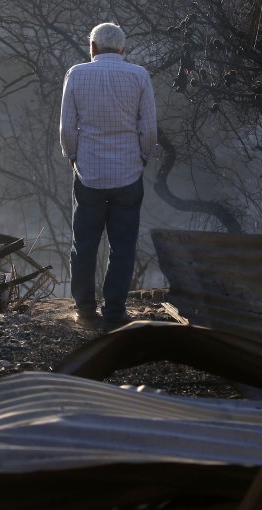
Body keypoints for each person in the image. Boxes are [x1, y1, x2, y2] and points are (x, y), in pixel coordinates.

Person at [59, 22, 157, 329]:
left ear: (92, 48)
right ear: (123, 49)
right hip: (128, 173)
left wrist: (74, 157)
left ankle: (85, 309)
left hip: (88, 174)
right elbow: (149, 129)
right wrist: (142, 158)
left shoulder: (76, 74)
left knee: (84, 244)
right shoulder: (139, 76)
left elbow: (66, 129)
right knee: (123, 245)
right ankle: (115, 310)